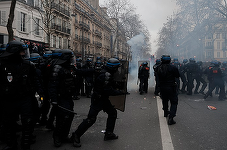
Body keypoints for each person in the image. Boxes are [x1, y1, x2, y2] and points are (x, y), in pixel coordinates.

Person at [70, 58, 125, 147]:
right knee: (91, 119)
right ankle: (76, 135)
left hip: (102, 99)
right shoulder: (106, 75)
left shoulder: (103, 71)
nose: (117, 69)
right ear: (113, 68)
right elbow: (108, 90)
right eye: (116, 68)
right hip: (98, 100)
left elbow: (86, 72)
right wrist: (120, 92)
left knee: (112, 113)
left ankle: (109, 133)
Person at [0, 40, 43, 150]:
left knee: (27, 123)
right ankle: (12, 145)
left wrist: (40, 94)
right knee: (9, 123)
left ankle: (25, 145)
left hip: (25, 98)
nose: (24, 54)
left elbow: (35, 81)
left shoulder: (28, 65)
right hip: (8, 99)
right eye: (22, 52)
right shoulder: (2, 65)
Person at [48, 49, 77, 147]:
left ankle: (64, 136)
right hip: (61, 98)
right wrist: (54, 99)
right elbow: (53, 85)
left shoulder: (68, 67)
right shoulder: (57, 68)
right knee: (61, 118)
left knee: (69, 116)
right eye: (71, 58)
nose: (72, 60)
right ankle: (57, 137)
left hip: (68, 97)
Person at [156, 55, 180, 125]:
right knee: (174, 102)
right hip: (171, 86)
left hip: (162, 87)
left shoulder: (158, 67)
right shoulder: (173, 67)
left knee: (165, 100)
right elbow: (177, 75)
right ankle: (171, 117)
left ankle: (166, 112)